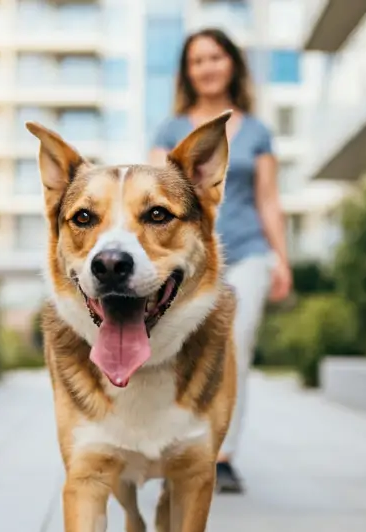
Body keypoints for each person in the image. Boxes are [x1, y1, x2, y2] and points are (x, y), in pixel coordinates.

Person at [149, 28, 292, 494]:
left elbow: (268, 200)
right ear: (187, 72)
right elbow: (149, 199)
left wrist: (281, 260)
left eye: (215, 57)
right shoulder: (171, 131)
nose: (207, 66)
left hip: (247, 252)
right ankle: (178, 446)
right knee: (179, 349)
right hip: (188, 261)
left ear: (231, 63)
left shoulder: (257, 131)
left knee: (236, 346)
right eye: (197, 60)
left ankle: (222, 455)